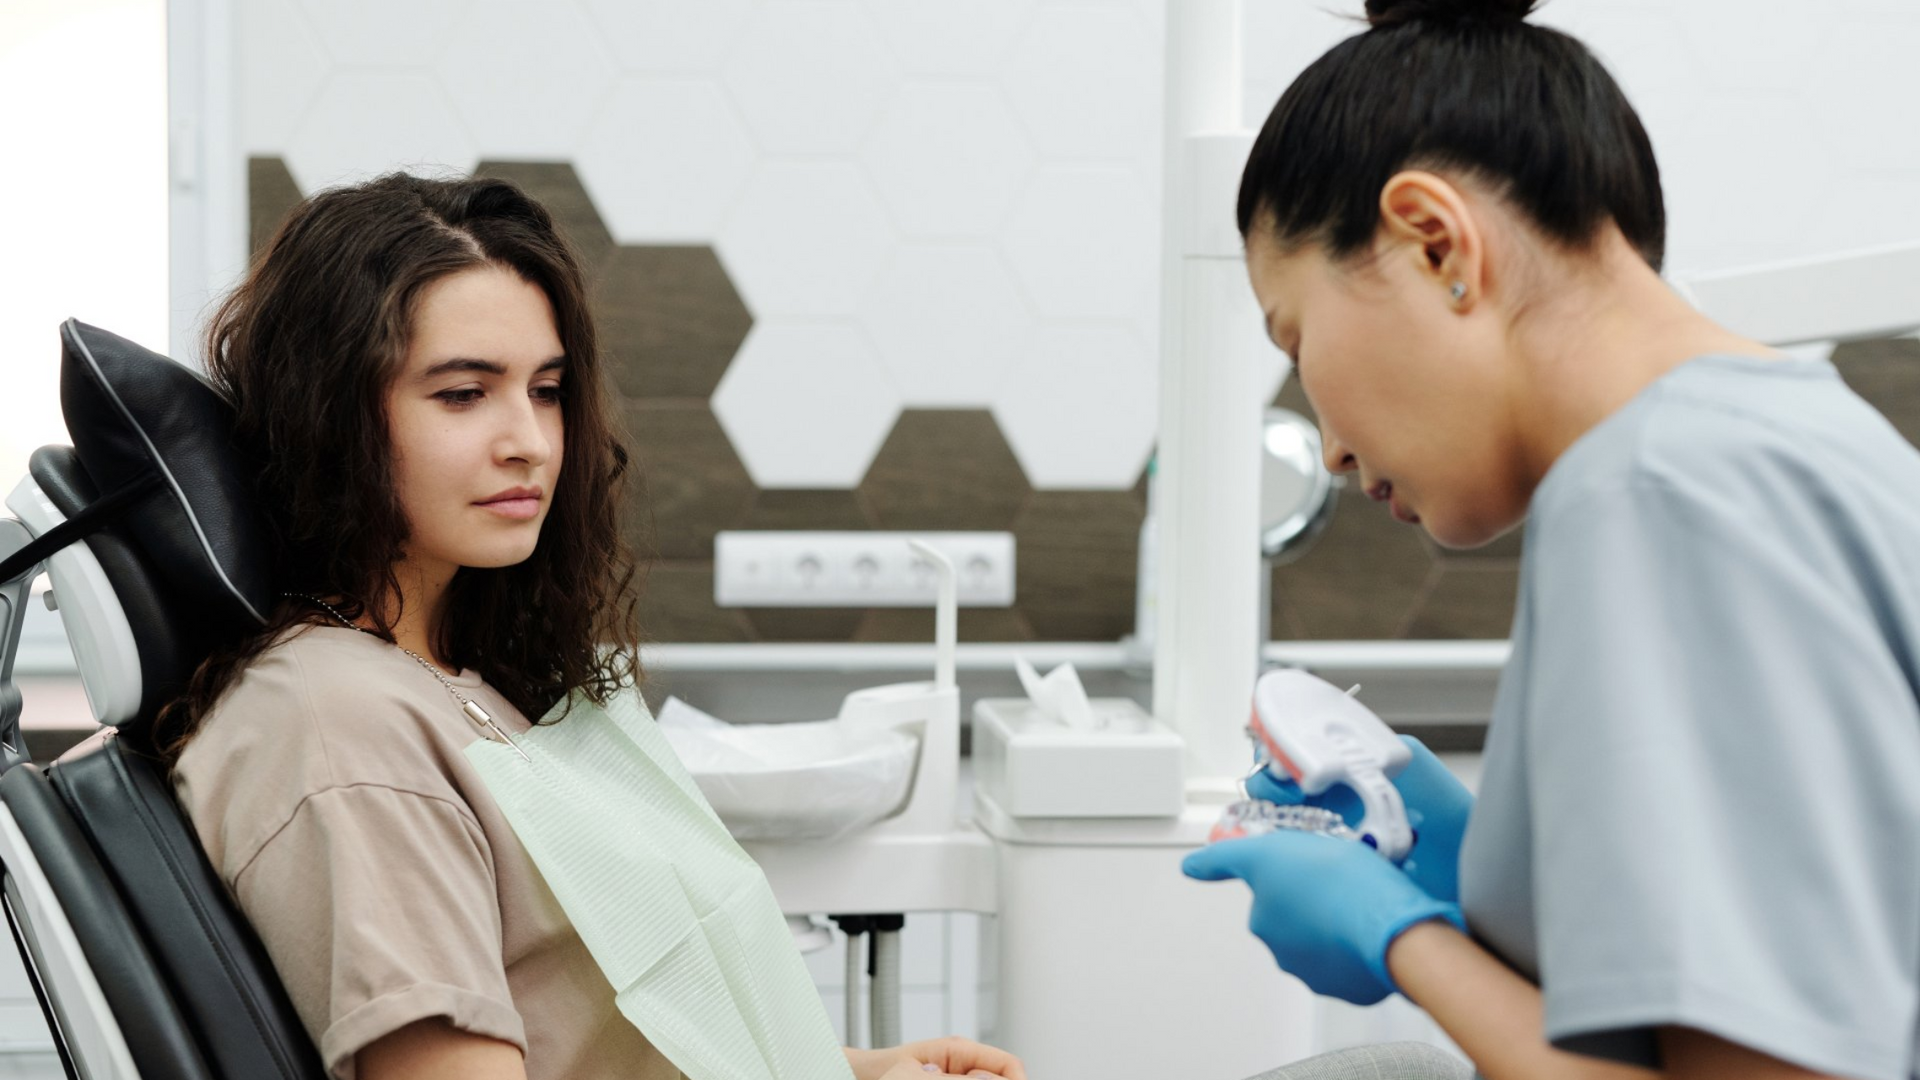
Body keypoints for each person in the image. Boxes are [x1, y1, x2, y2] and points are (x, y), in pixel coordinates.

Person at [1182, 1, 1920, 1079]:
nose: (1330, 448)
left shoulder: (1656, 493)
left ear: (1436, 242)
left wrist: (1406, 938)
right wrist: (1492, 871)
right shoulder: (1799, 433)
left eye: (1295, 336)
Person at [161, 173, 1022, 1080]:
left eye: (546, 389)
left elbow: (601, 1033)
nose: (529, 440)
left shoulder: (453, 678)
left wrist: (848, 1070)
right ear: (326, 417)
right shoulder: (339, 725)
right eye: (463, 394)